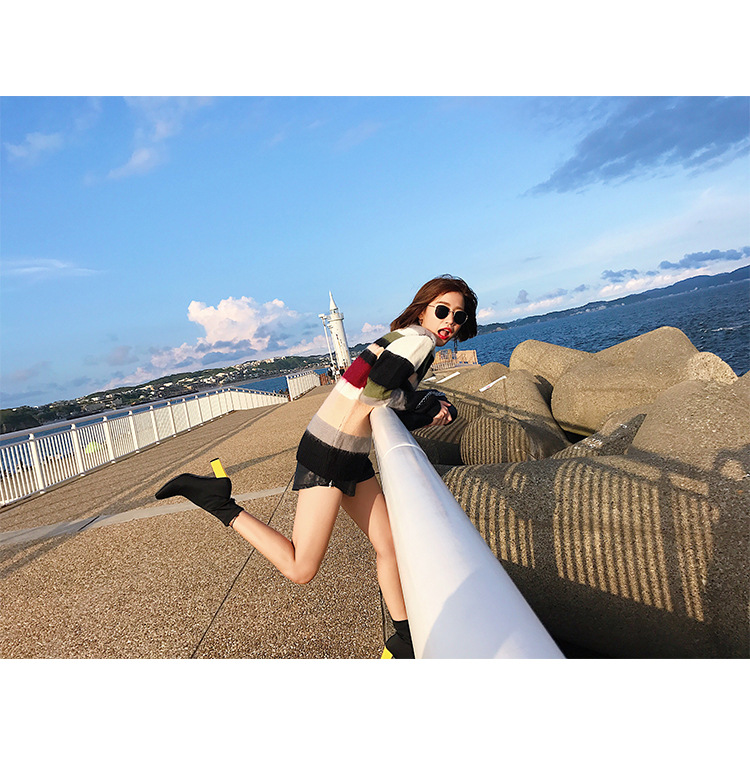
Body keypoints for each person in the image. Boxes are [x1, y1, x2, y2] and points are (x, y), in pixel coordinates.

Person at [155, 275, 478, 658]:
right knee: (301, 568)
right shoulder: (419, 341)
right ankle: (218, 502)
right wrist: (427, 406)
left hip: (348, 452)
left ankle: (405, 638)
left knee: (390, 544)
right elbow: (378, 393)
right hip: (331, 453)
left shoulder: (402, 337)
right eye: (442, 311)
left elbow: (378, 396)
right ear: (423, 310)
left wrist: (424, 404)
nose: (450, 322)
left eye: (458, 316)